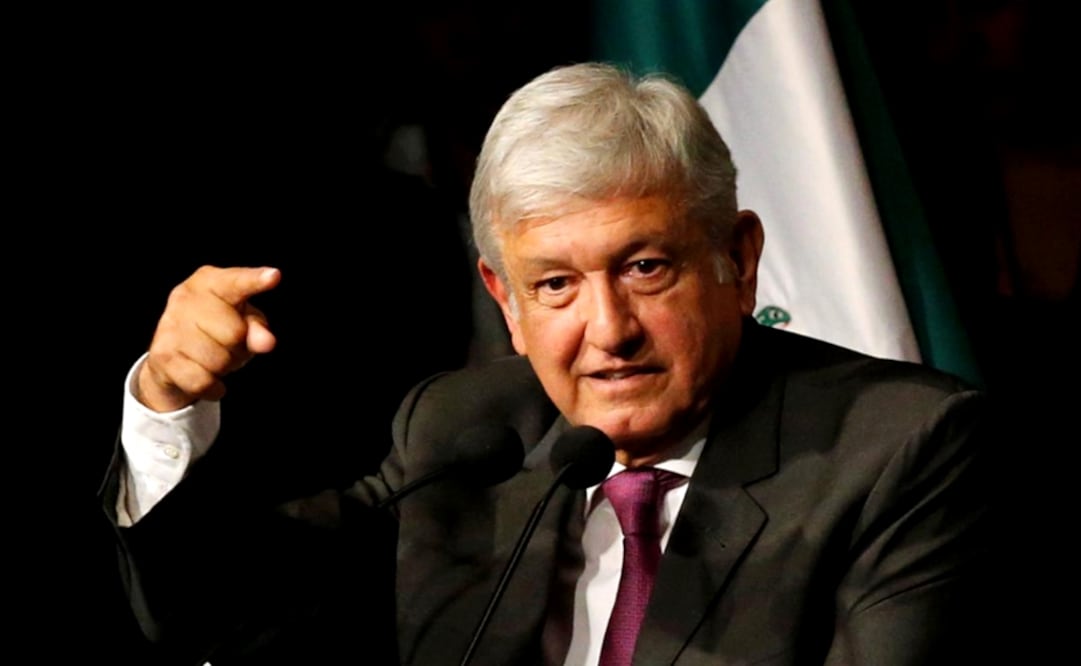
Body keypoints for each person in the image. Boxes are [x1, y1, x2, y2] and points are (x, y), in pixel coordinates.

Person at [104, 62, 999, 665]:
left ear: (738, 258)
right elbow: (209, 612)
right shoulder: (469, 428)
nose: (607, 331)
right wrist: (170, 400)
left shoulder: (898, 447)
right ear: (506, 302)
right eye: (557, 285)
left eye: (645, 268)